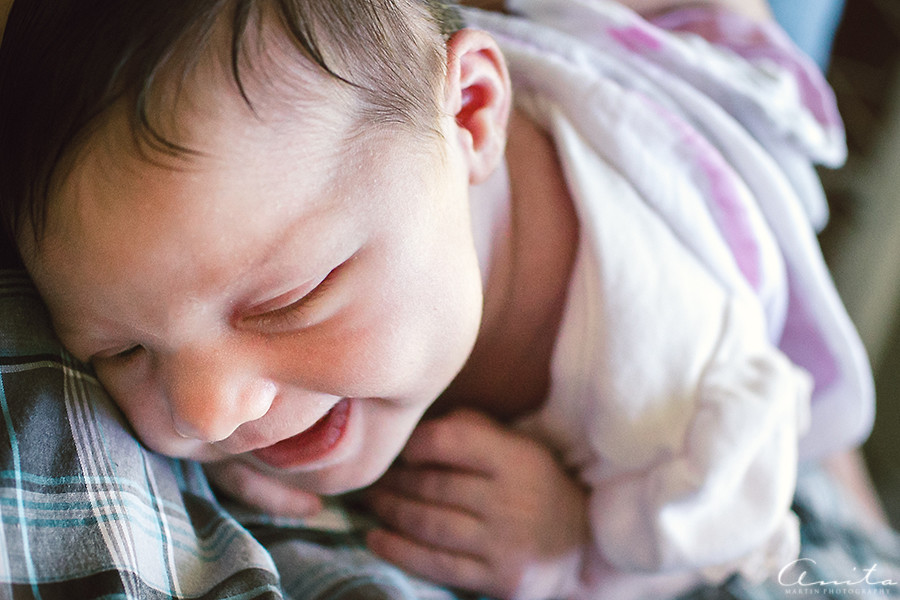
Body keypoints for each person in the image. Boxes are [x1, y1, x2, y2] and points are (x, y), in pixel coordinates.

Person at [0, 0, 882, 599]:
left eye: (289, 300)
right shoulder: (327, 201)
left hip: (679, 118)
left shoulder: (665, 362)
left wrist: (572, 541)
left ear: (469, 118)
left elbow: (736, 514)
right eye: (123, 353)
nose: (204, 410)